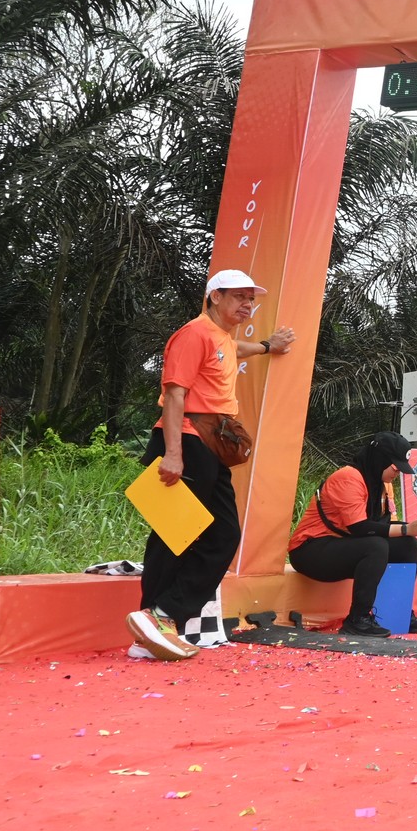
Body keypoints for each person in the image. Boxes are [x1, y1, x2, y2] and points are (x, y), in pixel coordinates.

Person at [127, 269, 295, 662]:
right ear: (215, 296)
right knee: (174, 534)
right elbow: (174, 395)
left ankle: (159, 618)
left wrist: (268, 346)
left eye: (251, 298)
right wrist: (173, 453)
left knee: (223, 535)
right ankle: (153, 625)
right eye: (239, 296)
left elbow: (236, 349)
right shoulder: (194, 334)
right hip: (185, 439)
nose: (247, 304)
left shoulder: (221, 338)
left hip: (210, 445)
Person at [287, 431, 417, 637]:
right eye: (395, 467)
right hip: (309, 551)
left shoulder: (381, 484)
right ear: (380, 459)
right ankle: (358, 619)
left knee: (408, 545)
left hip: (342, 546)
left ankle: (399, 613)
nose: (397, 473)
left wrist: (410, 529)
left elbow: (380, 525)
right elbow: (360, 528)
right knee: (376, 546)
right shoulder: (349, 477)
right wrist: (405, 528)